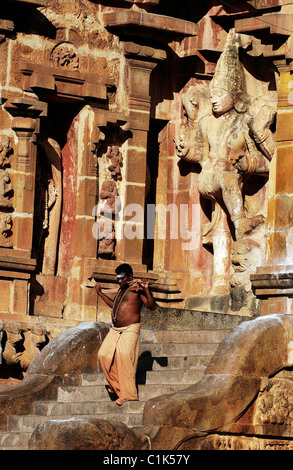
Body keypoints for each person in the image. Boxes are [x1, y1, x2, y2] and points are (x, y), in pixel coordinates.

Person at [90, 263, 156, 406]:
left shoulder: (137, 289)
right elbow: (114, 305)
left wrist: (147, 289)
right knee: (104, 355)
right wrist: (100, 293)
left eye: (122, 278)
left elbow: (152, 306)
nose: (119, 281)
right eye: (118, 278)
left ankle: (129, 395)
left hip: (131, 328)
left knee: (125, 356)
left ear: (130, 277)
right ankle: (117, 387)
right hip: (115, 329)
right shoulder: (121, 290)